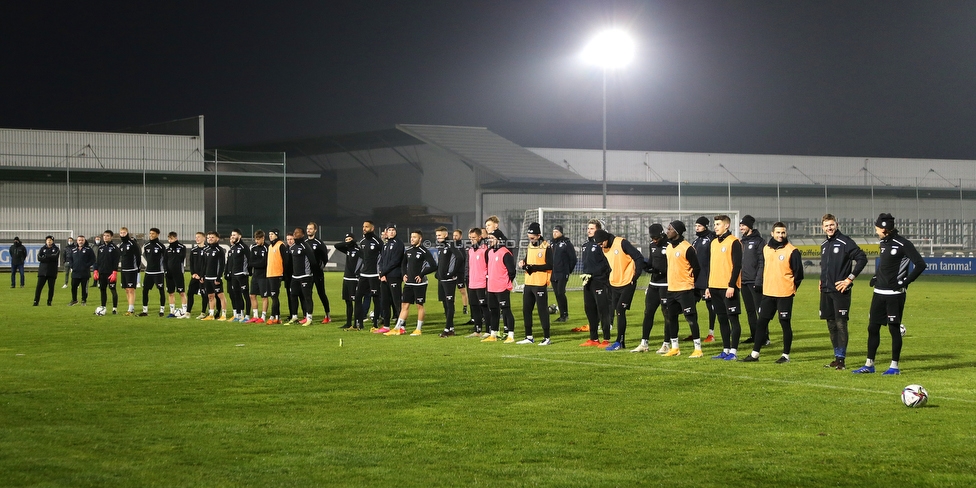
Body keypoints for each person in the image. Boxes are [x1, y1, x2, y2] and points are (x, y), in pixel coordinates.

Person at [852, 213, 927, 375]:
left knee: (894, 329)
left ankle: (894, 367)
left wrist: (904, 282)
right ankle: (869, 365)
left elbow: (921, 265)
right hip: (878, 293)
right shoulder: (884, 243)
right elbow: (887, 265)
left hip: (895, 295)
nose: (876, 231)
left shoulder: (903, 244)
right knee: (872, 328)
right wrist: (876, 276)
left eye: (877, 228)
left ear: (884, 229)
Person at [740, 222, 803, 363]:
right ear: (772, 234)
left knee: (785, 323)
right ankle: (755, 354)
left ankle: (785, 356)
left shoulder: (792, 251)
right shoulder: (766, 249)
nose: (781, 235)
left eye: (783, 233)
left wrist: (791, 289)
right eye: (778, 233)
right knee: (762, 322)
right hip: (768, 293)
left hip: (784, 294)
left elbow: (799, 275)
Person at [819, 214, 867, 370]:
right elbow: (825, 266)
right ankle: (836, 357)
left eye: (831, 225)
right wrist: (822, 280)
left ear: (837, 225)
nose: (829, 228)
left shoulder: (845, 241)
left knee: (840, 324)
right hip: (826, 290)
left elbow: (862, 258)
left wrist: (849, 279)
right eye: (826, 226)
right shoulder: (824, 245)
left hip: (841, 291)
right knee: (831, 324)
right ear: (822, 227)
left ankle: (841, 359)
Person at [662, 221, 703, 357]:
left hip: (685, 289)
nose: (667, 231)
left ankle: (698, 349)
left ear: (677, 232)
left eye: (670, 229)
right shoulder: (668, 248)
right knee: (671, 318)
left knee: (691, 318)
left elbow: (696, 268)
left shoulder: (687, 248)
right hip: (671, 289)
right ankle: (675, 348)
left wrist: (690, 282)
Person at [706, 215, 744, 360]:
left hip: (728, 288)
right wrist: (708, 286)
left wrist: (732, 285)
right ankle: (725, 350)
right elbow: (711, 266)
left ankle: (733, 352)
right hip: (714, 286)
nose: (715, 227)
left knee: (733, 319)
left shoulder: (734, 242)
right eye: (714, 224)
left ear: (726, 225)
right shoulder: (714, 242)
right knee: (722, 319)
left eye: (718, 224)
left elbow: (737, 266)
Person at [386, 230, 438, 336]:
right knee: (404, 305)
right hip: (409, 283)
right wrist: (404, 274)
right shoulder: (408, 250)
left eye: (414, 237)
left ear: (420, 239)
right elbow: (403, 264)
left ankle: (418, 329)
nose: (412, 239)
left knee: (419, 306)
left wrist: (422, 274)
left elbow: (433, 265)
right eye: (411, 237)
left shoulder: (424, 251)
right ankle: (397, 328)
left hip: (420, 284)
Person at [600, 228, 644, 352]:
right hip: (614, 284)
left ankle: (620, 341)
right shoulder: (603, 248)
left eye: (601, 243)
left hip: (628, 282)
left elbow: (638, 257)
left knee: (620, 310)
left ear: (605, 239)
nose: (600, 246)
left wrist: (635, 276)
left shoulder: (621, 243)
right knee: (616, 310)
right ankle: (620, 342)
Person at [632, 224, 670, 353]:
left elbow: (672, 266)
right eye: (652, 238)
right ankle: (644, 343)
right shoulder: (652, 245)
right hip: (654, 284)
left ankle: (666, 344)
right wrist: (646, 267)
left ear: (662, 234)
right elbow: (651, 263)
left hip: (666, 285)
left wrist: (661, 271)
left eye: (656, 238)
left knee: (667, 314)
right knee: (648, 313)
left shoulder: (670, 244)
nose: (654, 240)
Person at [517, 222, 554, 345]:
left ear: (538, 235)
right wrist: (523, 263)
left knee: (542, 310)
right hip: (529, 282)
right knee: (526, 310)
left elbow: (550, 265)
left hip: (540, 283)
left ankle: (547, 338)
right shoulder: (530, 246)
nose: (530, 239)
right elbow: (528, 261)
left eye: (532, 237)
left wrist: (534, 267)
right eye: (529, 237)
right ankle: (529, 337)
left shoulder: (546, 246)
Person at [578, 219, 612, 347]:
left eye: (591, 228)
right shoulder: (585, 245)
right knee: (589, 309)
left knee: (603, 310)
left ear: (598, 230)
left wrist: (601, 276)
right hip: (587, 282)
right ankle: (593, 338)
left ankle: (607, 339)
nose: (589, 230)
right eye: (588, 228)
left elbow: (607, 264)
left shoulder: (602, 245)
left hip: (599, 282)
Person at [481, 230, 517, 342]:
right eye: (489, 237)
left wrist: (506, 282)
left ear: (499, 239)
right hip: (491, 287)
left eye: (492, 237)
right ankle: (493, 335)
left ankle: (511, 335)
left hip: (502, 287)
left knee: (506, 311)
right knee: (493, 311)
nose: (489, 239)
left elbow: (512, 271)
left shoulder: (505, 253)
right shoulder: (489, 252)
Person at [350, 221, 383, 331]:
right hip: (363, 275)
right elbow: (362, 258)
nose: (364, 228)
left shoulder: (378, 242)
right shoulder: (362, 241)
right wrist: (358, 270)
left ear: (372, 228)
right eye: (363, 226)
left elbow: (382, 258)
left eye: (366, 227)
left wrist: (381, 272)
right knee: (358, 298)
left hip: (374, 275)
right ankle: (357, 324)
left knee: (376, 300)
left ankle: (375, 325)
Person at [434, 226, 465, 337]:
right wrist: (438, 272)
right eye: (437, 235)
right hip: (442, 280)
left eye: (439, 235)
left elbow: (460, 258)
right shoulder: (441, 246)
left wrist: (452, 273)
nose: (437, 237)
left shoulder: (451, 244)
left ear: (445, 235)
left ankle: (447, 329)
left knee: (450, 304)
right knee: (445, 304)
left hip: (449, 280)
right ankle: (450, 328)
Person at [738, 215, 765, 344]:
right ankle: (754, 336)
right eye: (740, 225)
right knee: (749, 311)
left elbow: (762, 262)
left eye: (743, 225)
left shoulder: (759, 241)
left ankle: (764, 337)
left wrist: (759, 280)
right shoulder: (741, 242)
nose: (741, 228)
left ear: (749, 226)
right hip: (743, 281)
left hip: (755, 282)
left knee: (760, 311)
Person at [689, 216, 716, 343]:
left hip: (707, 281)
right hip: (695, 281)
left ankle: (711, 334)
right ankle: (694, 332)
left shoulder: (711, 239)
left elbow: (712, 262)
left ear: (705, 226)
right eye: (696, 226)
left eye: (699, 226)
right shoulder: (696, 241)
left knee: (710, 307)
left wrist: (709, 284)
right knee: (690, 306)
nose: (697, 228)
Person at [376, 223, 405, 332]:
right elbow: (382, 260)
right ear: (386, 232)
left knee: (397, 301)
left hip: (394, 276)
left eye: (393, 230)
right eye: (390, 230)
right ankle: (386, 326)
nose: (392, 232)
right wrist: (381, 273)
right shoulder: (386, 244)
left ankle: (401, 326)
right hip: (385, 277)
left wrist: (383, 272)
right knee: (385, 301)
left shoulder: (399, 243)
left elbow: (395, 261)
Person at [288, 227, 317, 326]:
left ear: (303, 235)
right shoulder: (292, 247)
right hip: (295, 277)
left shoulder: (305, 246)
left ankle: (309, 318)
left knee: (307, 297)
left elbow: (313, 261)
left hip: (305, 276)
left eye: (298, 233)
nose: (295, 234)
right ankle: (294, 317)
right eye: (295, 232)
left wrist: (311, 274)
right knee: (293, 296)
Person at [332, 233, 362, 329]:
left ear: (353, 240)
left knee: (356, 301)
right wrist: (348, 243)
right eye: (346, 239)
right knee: (348, 301)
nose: (347, 240)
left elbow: (365, 260)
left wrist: (358, 273)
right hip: (346, 278)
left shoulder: (358, 250)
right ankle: (348, 323)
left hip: (354, 279)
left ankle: (357, 323)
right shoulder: (348, 249)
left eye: (350, 239)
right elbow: (336, 246)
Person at [465, 228, 491, 338]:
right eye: (470, 238)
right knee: (474, 306)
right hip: (472, 283)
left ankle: (489, 330)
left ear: (480, 237)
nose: (472, 240)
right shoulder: (470, 250)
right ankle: (477, 329)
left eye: (474, 238)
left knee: (484, 307)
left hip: (482, 283)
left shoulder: (485, 250)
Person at [550, 224, 577, 323]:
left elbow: (573, 258)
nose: (554, 233)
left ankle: (565, 314)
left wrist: (567, 270)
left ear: (561, 232)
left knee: (561, 293)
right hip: (553, 273)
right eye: (553, 232)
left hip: (562, 273)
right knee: (557, 294)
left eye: (556, 231)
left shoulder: (566, 243)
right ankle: (562, 315)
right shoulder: (551, 243)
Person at [305, 222, 332, 323]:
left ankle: (328, 315)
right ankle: (308, 316)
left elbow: (325, 258)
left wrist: (319, 268)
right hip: (307, 274)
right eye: (308, 228)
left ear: (315, 230)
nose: (308, 230)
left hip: (318, 274)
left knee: (321, 293)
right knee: (307, 295)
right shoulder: (305, 242)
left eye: (311, 229)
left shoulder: (319, 243)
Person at [201, 231, 228, 321]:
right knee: (210, 296)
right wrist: (202, 276)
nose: (210, 239)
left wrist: (218, 277)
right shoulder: (206, 250)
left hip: (215, 278)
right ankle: (211, 314)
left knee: (220, 296)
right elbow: (204, 264)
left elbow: (222, 264)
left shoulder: (219, 250)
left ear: (217, 238)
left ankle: (223, 315)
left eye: (212, 237)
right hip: (207, 277)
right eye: (208, 237)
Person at [139, 228, 166, 317]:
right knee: (145, 291)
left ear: (157, 234)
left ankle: (162, 310)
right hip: (148, 272)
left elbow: (165, 259)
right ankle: (145, 310)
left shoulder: (161, 246)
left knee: (161, 291)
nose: (151, 235)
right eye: (150, 233)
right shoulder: (146, 245)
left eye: (153, 233)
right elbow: (147, 257)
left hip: (158, 272)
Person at [226, 229, 250, 322]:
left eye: (234, 235)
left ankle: (247, 315)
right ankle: (239, 314)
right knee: (236, 295)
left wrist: (247, 272)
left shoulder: (244, 247)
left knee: (245, 295)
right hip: (234, 275)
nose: (232, 236)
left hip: (242, 274)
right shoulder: (233, 248)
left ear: (239, 236)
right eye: (232, 235)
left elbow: (249, 260)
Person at [163, 231, 188, 318]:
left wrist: (174, 250)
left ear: (176, 238)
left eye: (172, 238)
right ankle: (172, 311)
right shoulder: (167, 249)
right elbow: (164, 261)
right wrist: (166, 270)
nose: (170, 240)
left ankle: (184, 311)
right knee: (171, 293)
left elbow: (181, 258)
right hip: (169, 274)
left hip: (178, 273)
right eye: (169, 238)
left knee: (181, 292)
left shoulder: (182, 247)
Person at [95, 230, 120, 314]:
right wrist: (96, 270)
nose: (105, 237)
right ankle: (103, 307)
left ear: (111, 237)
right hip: (102, 273)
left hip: (110, 273)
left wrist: (115, 272)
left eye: (108, 235)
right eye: (104, 235)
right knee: (102, 290)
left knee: (113, 290)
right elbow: (98, 260)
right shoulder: (100, 247)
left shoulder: (114, 248)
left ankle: (114, 309)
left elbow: (116, 261)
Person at [264, 229, 286, 325]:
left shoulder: (281, 245)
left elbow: (285, 260)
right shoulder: (269, 246)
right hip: (270, 274)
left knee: (274, 296)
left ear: (276, 235)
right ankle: (277, 317)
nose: (270, 236)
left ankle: (273, 316)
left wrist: (283, 274)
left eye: (272, 234)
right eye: (269, 234)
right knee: (273, 296)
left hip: (277, 274)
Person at [117, 227, 141, 316]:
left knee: (131, 289)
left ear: (127, 233)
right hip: (124, 269)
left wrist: (138, 267)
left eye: (124, 232)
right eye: (121, 232)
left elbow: (138, 255)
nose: (122, 234)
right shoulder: (121, 244)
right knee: (126, 289)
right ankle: (130, 306)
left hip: (132, 269)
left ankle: (130, 309)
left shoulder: (132, 243)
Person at [247, 230, 269, 323]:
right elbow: (250, 261)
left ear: (263, 238)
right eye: (256, 239)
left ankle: (263, 317)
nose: (257, 241)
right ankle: (255, 316)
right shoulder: (253, 247)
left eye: (258, 239)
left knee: (264, 297)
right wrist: (257, 264)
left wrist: (256, 264)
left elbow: (265, 263)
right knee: (252, 295)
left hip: (264, 276)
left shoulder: (267, 248)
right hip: (255, 275)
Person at [68, 235, 95, 305]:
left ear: (84, 241)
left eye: (82, 240)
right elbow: (70, 259)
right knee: (73, 287)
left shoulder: (88, 249)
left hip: (85, 273)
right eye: (79, 240)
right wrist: (72, 266)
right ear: (77, 241)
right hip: (75, 272)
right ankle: (74, 300)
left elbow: (93, 259)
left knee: (84, 288)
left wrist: (86, 265)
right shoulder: (73, 250)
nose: (80, 241)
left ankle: (84, 300)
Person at [33, 235, 60, 306]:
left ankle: (49, 301)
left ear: (53, 241)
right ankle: (36, 301)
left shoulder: (56, 249)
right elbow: (39, 258)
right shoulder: (42, 248)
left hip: (52, 271)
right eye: (48, 240)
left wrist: (45, 256)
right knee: (39, 287)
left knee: (51, 288)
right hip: (42, 271)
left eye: (50, 240)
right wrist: (48, 257)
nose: (49, 241)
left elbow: (55, 256)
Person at [452, 229, 472, 321]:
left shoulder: (462, 247)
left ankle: (465, 307)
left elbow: (463, 260)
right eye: (453, 235)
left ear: (460, 236)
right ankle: (452, 308)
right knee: (451, 292)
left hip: (460, 272)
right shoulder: (451, 246)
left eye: (456, 235)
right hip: (453, 272)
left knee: (462, 291)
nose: (454, 237)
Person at [187, 232, 208, 319]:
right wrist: (193, 273)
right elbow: (191, 263)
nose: (197, 239)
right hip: (195, 276)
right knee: (190, 293)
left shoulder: (207, 249)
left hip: (203, 277)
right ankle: (188, 312)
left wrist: (202, 275)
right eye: (196, 237)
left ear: (204, 238)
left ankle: (203, 312)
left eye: (199, 237)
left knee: (204, 294)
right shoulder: (193, 250)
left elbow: (206, 264)